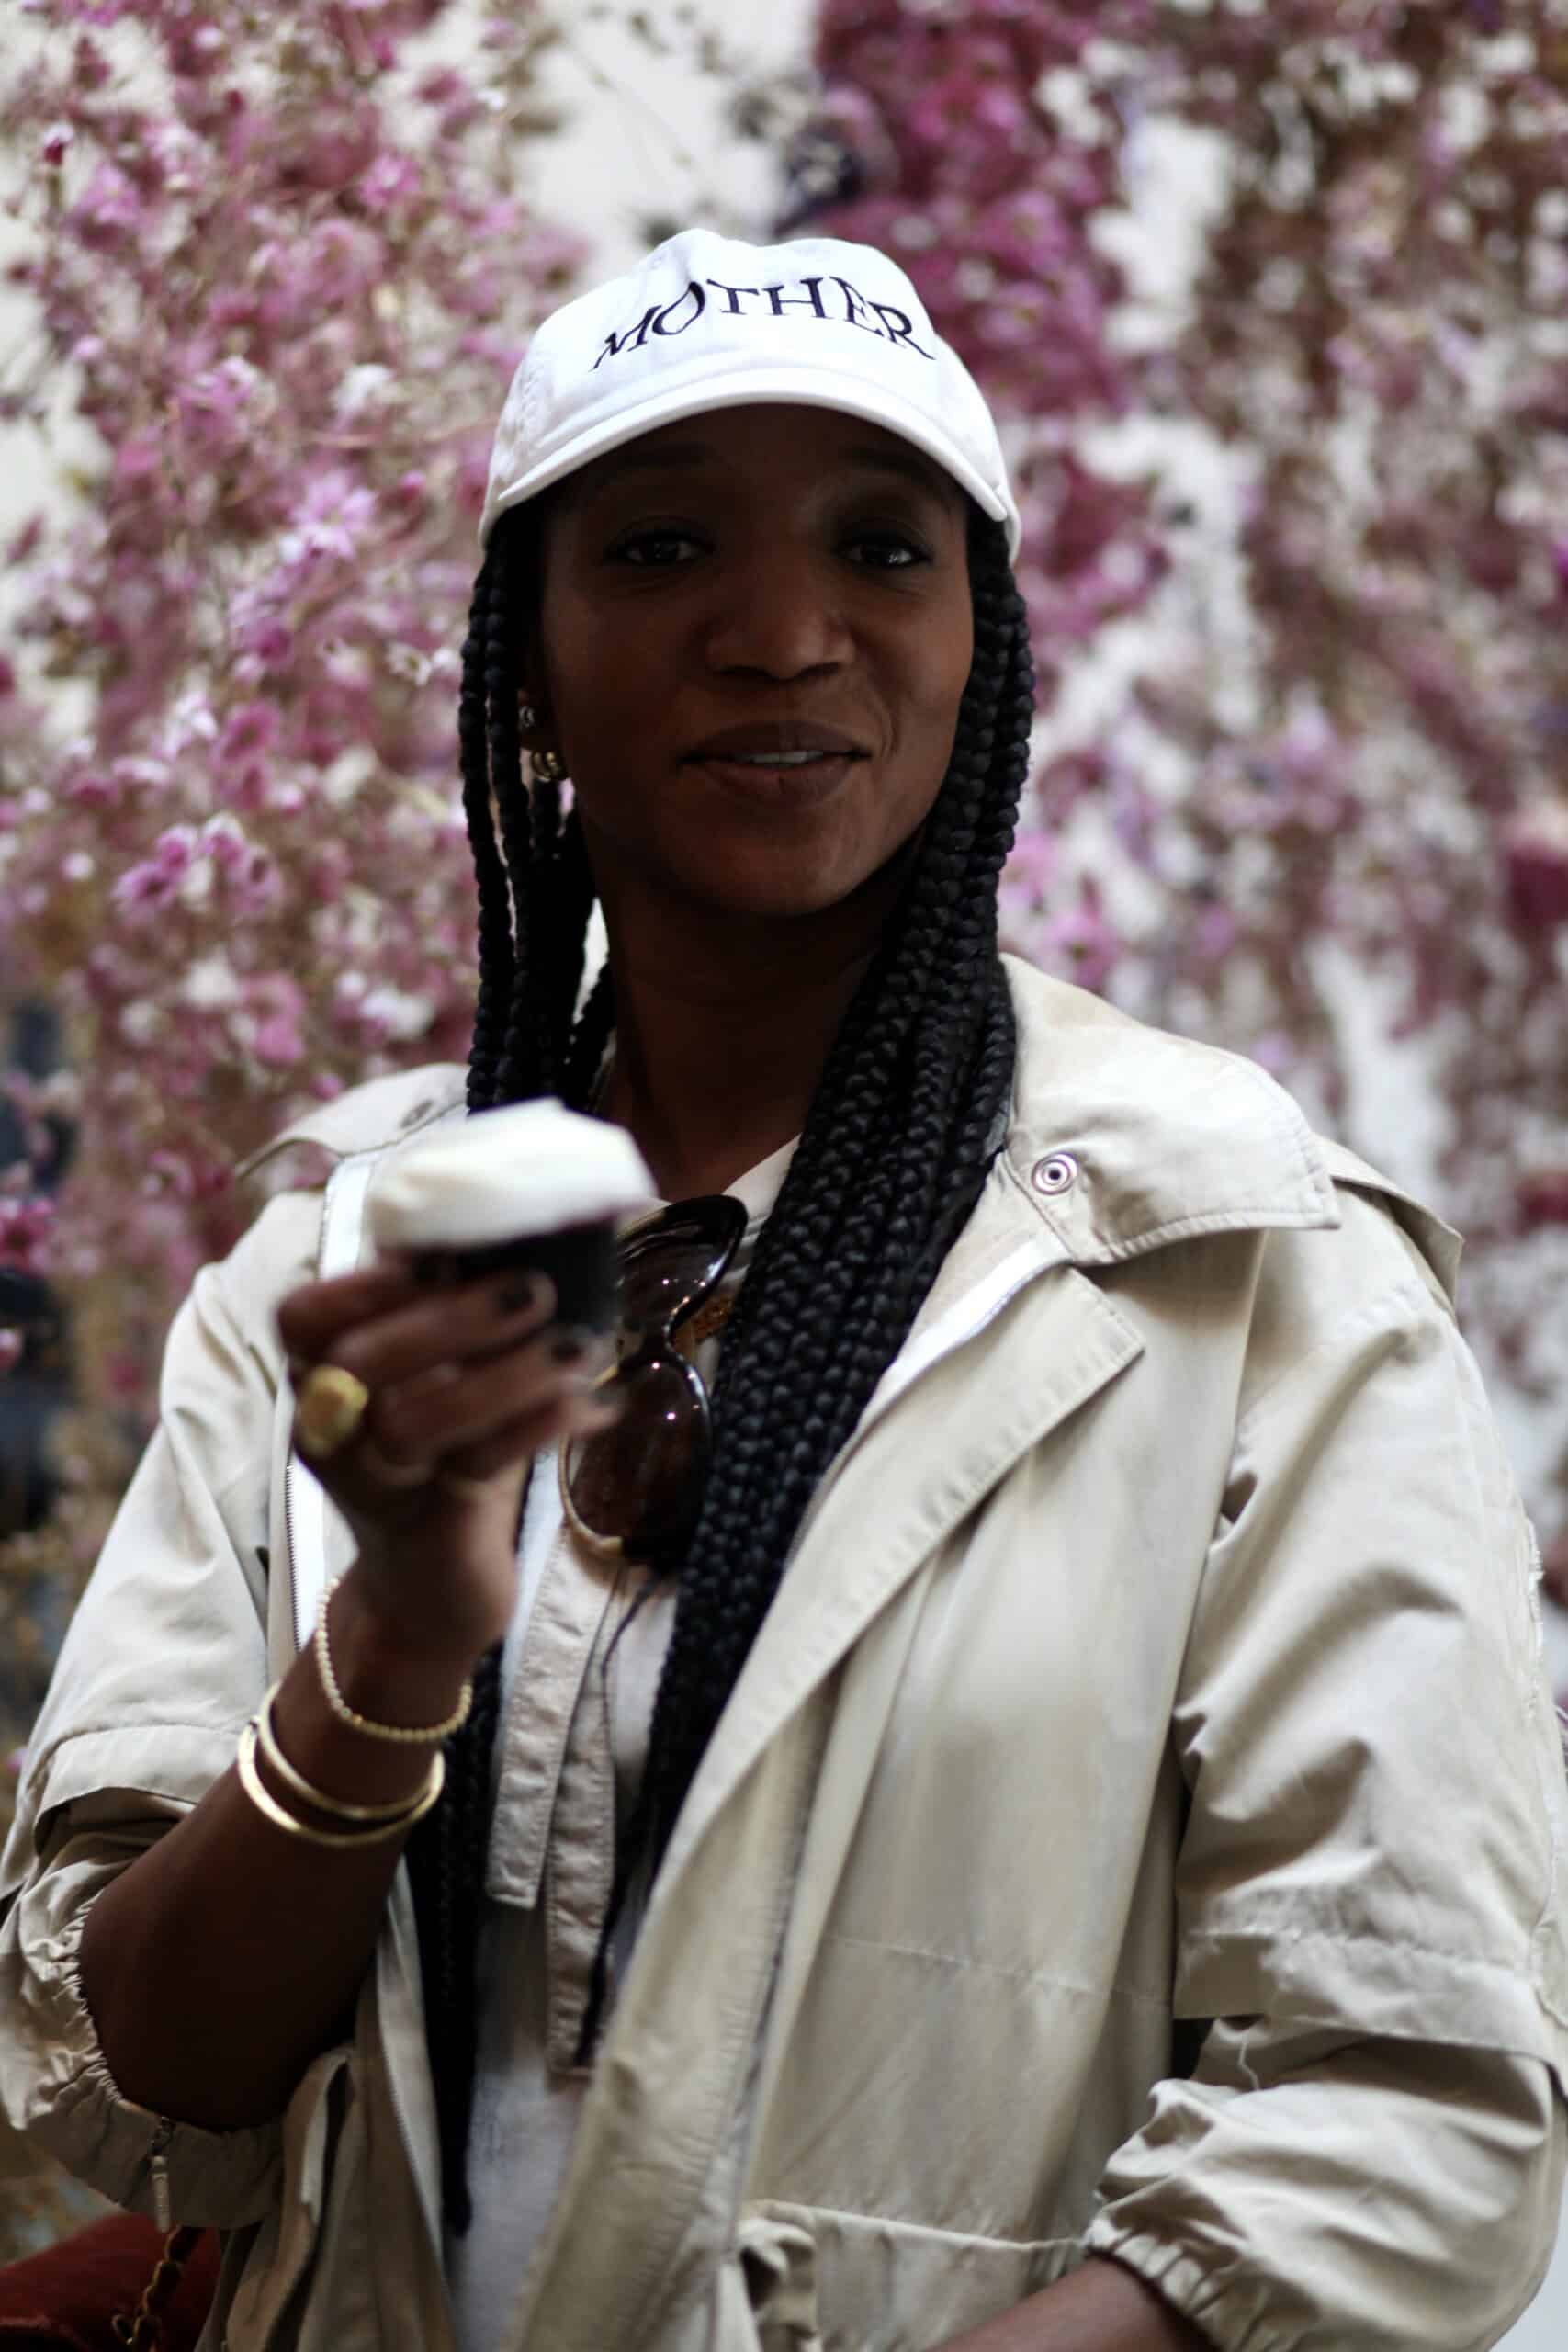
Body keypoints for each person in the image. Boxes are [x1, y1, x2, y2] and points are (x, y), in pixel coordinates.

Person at [1, 228, 1565, 2352]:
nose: (782, 634)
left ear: (979, 648)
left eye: (878, 549)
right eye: (661, 549)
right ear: (524, 670)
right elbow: (142, 2076)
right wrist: (392, 1640)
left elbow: (1408, 2108)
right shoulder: (336, 1263)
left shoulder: (1244, 1267)